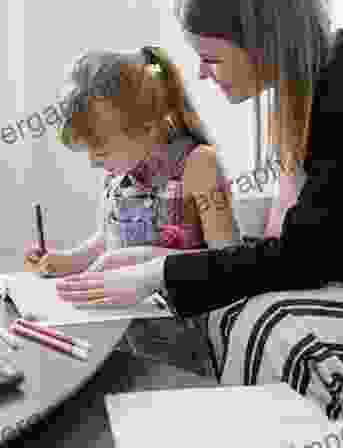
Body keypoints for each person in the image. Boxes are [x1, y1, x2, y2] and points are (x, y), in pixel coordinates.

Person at [56, 0, 343, 428]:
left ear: (261, 45)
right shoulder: (321, 85)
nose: (200, 73)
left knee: (277, 329)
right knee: (242, 307)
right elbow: (322, 247)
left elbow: (304, 256)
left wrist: (158, 273)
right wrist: (162, 265)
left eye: (211, 58)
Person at [25, 46, 242, 372]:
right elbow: (105, 241)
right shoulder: (118, 173)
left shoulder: (198, 165)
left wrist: (140, 261)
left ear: (148, 127)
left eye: (100, 148)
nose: (93, 161)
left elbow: (230, 259)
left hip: (184, 339)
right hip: (120, 331)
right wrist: (63, 261)